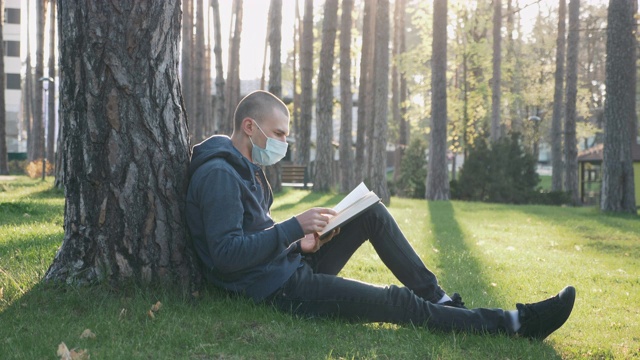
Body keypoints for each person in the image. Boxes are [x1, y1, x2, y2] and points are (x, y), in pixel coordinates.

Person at [186, 90, 575, 340]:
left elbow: (255, 235)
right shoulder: (220, 174)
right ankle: (513, 323)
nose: (284, 143)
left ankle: (438, 299)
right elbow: (226, 255)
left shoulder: (246, 168)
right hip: (278, 291)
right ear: (249, 127)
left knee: (369, 210)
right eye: (280, 134)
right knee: (395, 302)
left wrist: (301, 242)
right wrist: (293, 226)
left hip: (286, 267)